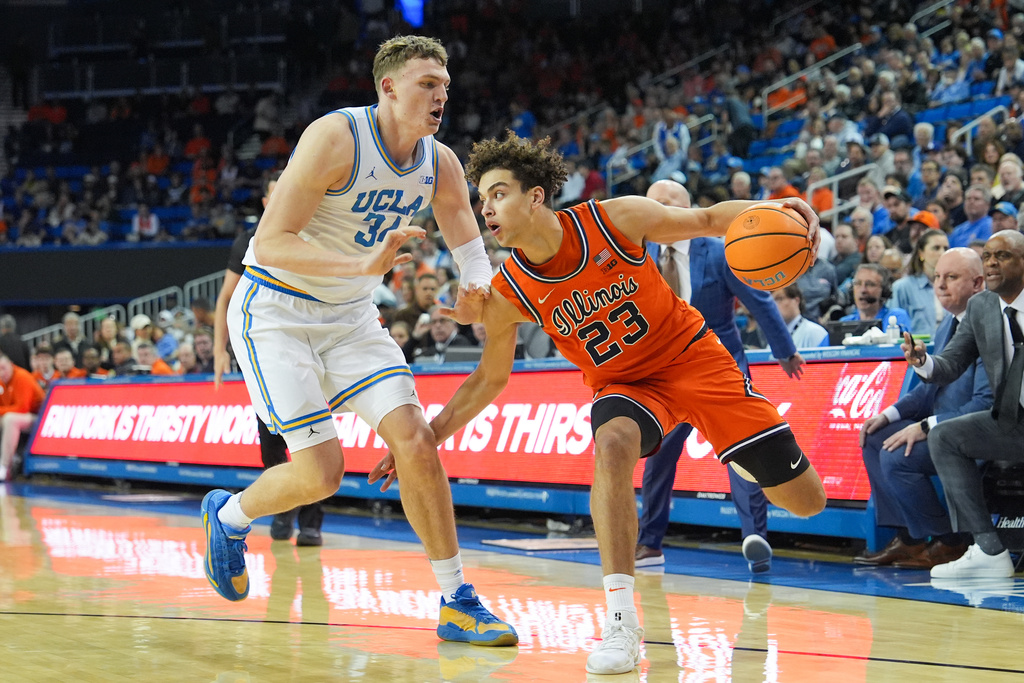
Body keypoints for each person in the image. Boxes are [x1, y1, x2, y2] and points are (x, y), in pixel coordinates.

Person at [371, 133, 827, 675]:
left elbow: (707, 220)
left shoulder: (614, 219)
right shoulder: (508, 289)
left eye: (498, 193)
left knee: (806, 502)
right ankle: (619, 623)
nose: (486, 208)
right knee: (611, 444)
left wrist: (773, 211)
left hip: (694, 361)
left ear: (535, 196)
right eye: (481, 198)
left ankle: (740, 446)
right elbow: (488, 380)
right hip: (626, 387)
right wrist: (426, 438)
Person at [206, 35, 517, 647]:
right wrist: (362, 266)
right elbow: (268, 244)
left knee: (416, 440)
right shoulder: (335, 137)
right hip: (275, 314)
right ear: (389, 87)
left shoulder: (441, 162)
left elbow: (467, 241)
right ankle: (229, 516)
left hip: (350, 320)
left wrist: (475, 292)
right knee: (321, 474)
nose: (441, 96)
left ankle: (457, 600)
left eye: (446, 86)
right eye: (428, 83)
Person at [635, 179, 805, 575]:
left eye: (663, 204)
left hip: (721, 367)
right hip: (667, 375)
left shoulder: (720, 251)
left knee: (746, 452)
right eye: (649, 205)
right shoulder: (639, 256)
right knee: (657, 457)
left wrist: (785, 351)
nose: (654, 213)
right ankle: (649, 542)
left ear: (684, 209)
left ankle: (754, 537)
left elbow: (758, 300)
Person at [857, 248, 991, 570]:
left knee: (896, 456)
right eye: (937, 277)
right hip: (943, 427)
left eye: (952, 277)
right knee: (875, 438)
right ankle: (911, 540)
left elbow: (986, 403)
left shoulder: (990, 326)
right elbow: (927, 390)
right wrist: (887, 414)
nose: (941, 285)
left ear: (978, 283)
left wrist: (926, 426)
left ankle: (949, 541)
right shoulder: (948, 325)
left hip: (975, 432)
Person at [902, 230, 1024, 579]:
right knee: (944, 436)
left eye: (1003, 256)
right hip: (1013, 421)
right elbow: (952, 363)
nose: (992, 263)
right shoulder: (981, 306)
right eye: (987, 256)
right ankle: (989, 549)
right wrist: (924, 362)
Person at [213, 171, 325, 546]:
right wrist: (218, 349)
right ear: (265, 201)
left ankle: (311, 522)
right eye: (275, 194)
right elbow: (226, 298)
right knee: (272, 439)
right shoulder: (248, 240)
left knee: (315, 434)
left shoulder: (317, 230)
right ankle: (282, 508)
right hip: (264, 345)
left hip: (308, 340)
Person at [891, 229, 949, 336]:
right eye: (936, 248)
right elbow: (894, 331)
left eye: (946, 248)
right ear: (921, 253)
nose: (942, 253)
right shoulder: (902, 287)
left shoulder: (953, 286)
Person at [0, 352, 45, 481]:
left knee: (10, 419)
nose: (1, 372)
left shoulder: (22, 376)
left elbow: (22, 408)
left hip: (40, 419)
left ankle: (5, 467)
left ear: (11, 365)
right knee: (9, 417)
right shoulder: (2, 382)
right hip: (22, 417)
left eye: (3, 368)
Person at [840, 264, 913, 331]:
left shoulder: (896, 318)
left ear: (884, 290)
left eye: (870, 284)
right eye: (858, 283)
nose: (863, 290)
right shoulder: (844, 323)